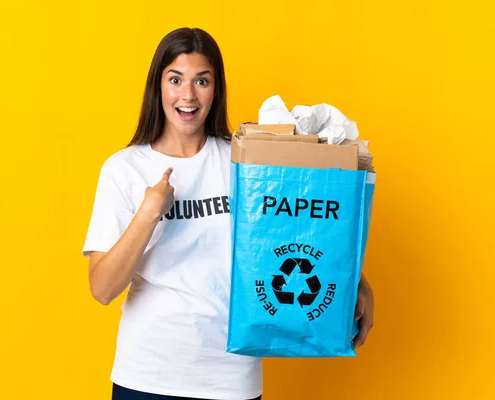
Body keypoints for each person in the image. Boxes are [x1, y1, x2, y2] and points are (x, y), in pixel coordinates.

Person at [82, 27, 374, 400]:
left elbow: (301, 225)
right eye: (176, 80)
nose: (187, 95)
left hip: (230, 375)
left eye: (201, 81)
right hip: (149, 373)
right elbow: (102, 288)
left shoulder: (245, 161)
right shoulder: (125, 168)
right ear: (158, 86)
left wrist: (358, 282)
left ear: (215, 89)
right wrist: (149, 212)